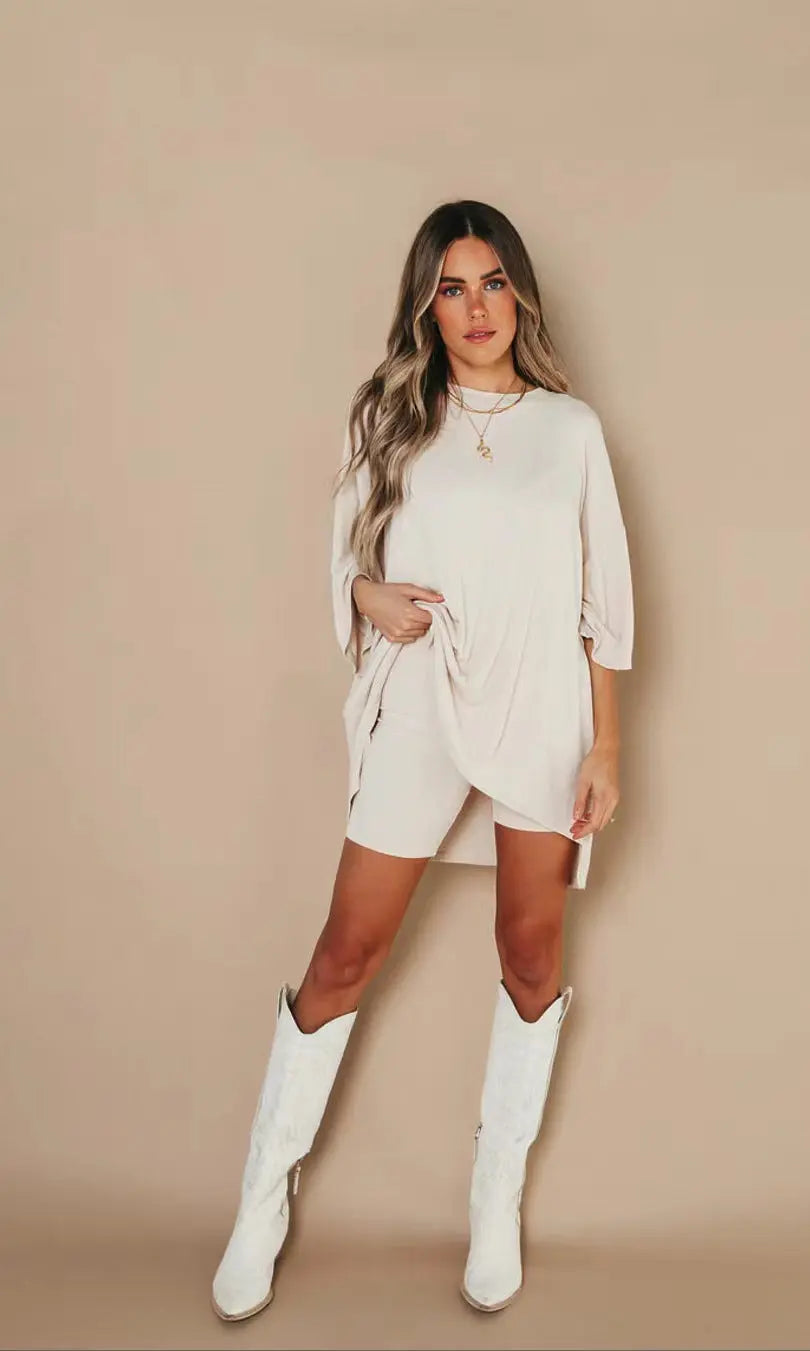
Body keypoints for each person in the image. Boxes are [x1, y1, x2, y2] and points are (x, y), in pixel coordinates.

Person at [211, 199, 635, 1321]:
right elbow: (344, 558)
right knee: (346, 946)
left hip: (541, 704)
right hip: (420, 693)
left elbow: (603, 599)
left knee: (529, 951)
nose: (476, 308)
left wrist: (605, 743)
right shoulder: (390, 414)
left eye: (492, 282)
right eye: (452, 287)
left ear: (520, 295)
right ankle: (261, 1197)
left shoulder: (570, 429)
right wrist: (367, 595)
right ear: (426, 306)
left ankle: (494, 1200)